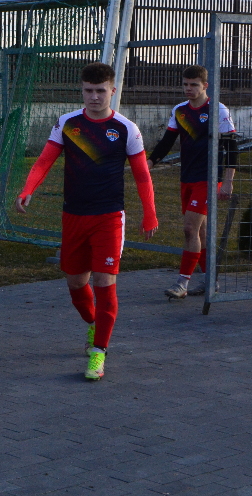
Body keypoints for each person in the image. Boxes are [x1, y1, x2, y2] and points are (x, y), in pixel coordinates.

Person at [14, 62, 158, 381]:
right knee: (76, 284)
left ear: (112, 91)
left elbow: (142, 176)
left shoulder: (126, 128)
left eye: (100, 91)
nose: (94, 97)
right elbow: (44, 160)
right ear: (82, 90)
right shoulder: (68, 123)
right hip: (73, 216)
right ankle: (95, 325)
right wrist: (28, 189)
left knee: (104, 283)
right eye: (89, 91)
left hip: (109, 217)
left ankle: (98, 352)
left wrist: (150, 213)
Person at [146, 65, 238, 300]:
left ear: (205, 86)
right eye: (185, 84)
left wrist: (228, 181)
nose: (189, 89)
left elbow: (232, 147)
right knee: (201, 232)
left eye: (194, 85)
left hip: (209, 179)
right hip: (187, 177)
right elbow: (167, 142)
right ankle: (210, 281)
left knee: (189, 229)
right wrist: (150, 162)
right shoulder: (180, 111)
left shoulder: (217, 109)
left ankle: (182, 283)